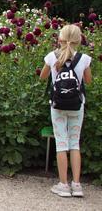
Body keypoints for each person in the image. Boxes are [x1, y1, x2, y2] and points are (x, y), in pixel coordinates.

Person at [39, 24, 92, 197]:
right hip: (77, 106)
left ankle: (63, 185)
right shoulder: (84, 59)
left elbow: (43, 77)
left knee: (61, 143)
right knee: (74, 143)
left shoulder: (52, 57)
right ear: (79, 40)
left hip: (58, 106)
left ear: (60, 39)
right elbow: (88, 81)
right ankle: (77, 185)